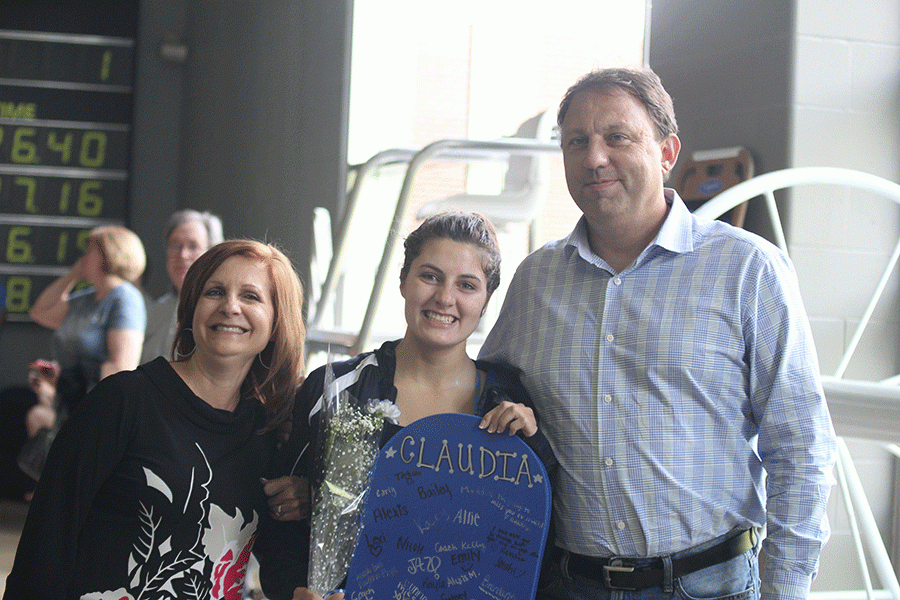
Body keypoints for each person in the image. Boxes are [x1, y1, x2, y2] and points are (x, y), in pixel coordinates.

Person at [478, 67, 838, 600]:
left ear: (667, 152)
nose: (595, 157)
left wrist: (785, 590)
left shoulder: (747, 269)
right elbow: (486, 391)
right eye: (577, 142)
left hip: (711, 585)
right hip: (572, 585)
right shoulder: (537, 280)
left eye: (617, 137)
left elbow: (801, 444)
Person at [254, 211, 556, 600]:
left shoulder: (511, 399)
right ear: (403, 281)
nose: (445, 298)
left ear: (485, 302)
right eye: (430, 276)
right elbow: (277, 519)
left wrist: (534, 447)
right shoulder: (337, 390)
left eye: (467, 285)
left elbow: (536, 531)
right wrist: (295, 591)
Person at [3, 239, 306, 600]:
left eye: (251, 297)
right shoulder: (123, 400)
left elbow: (280, 563)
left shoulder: (268, 432)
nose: (230, 307)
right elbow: (46, 541)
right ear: (191, 307)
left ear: (276, 321)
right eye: (215, 291)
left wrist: (307, 499)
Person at [17, 225, 147, 482]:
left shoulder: (124, 298)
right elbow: (40, 311)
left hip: (96, 414)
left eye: (90, 250)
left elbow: (121, 368)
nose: (83, 256)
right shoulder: (86, 299)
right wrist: (74, 274)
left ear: (110, 254)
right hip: (69, 405)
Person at [141, 209, 224, 363]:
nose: (183, 255)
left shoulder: (221, 312)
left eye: (193, 246)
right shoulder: (155, 312)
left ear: (212, 254)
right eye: (176, 246)